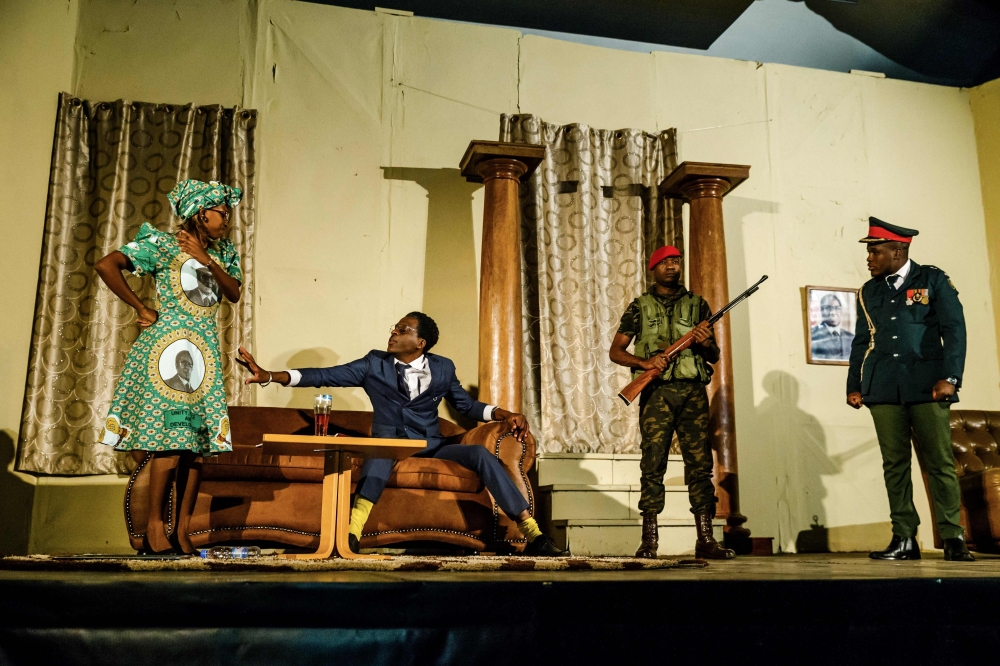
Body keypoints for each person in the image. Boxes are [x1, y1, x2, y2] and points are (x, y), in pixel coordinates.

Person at [236, 312, 565, 556]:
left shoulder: (443, 367)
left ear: (420, 342)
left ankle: (532, 534)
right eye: (394, 328)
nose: (393, 332)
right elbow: (324, 375)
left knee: (480, 454)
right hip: (390, 442)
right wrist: (269, 375)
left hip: (432, 444)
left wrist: (504, 414)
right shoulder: (373, 364)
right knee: (380, 451)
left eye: (402, 329)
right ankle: (351, 535)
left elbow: (466, 405)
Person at [94, 179, 243, 552]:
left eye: (227, 213)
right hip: (168, 350)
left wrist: (205, 258)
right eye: (221, 213)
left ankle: (184, 528)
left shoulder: (224, 252)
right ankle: (156, 525)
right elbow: (106, 264)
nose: (226, 219)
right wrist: (141, 308)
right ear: (200, 212)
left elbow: (235, 292)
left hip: (203, 354)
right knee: (169, 442)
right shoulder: (162, 244)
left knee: (195, 446)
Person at [847, 216, 974, 562]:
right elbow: (861, 342)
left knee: (939, 463)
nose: (869, 258)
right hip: (882, 385)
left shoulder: (932, 279)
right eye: (869, 252)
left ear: (898, 250)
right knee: (895, 464)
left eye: (875, 251)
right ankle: (904, 537)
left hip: (928, 385)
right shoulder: (868, 291)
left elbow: (955, 330)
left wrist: (951, 377)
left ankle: (952, 536)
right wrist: (855, 385)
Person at [609, 245, 734, 560]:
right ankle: (649, 541)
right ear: (653, 268)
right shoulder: (640, 306)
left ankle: (705, 538)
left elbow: (715, 356)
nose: (672, 266)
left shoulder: (698, 305)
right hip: (657, 394)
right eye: (665, 262)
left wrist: (705, 343)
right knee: (652, 465)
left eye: (677, 261)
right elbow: (616, 351)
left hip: (693, 393)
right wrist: (645, 363)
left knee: (700, 466)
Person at [810, 293, 854, 360]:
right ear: (821, 310)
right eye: (828, 308)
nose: (832, 312)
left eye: (836, 308)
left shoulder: (851, 338)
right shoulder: (813, 336)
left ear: (841, 310)